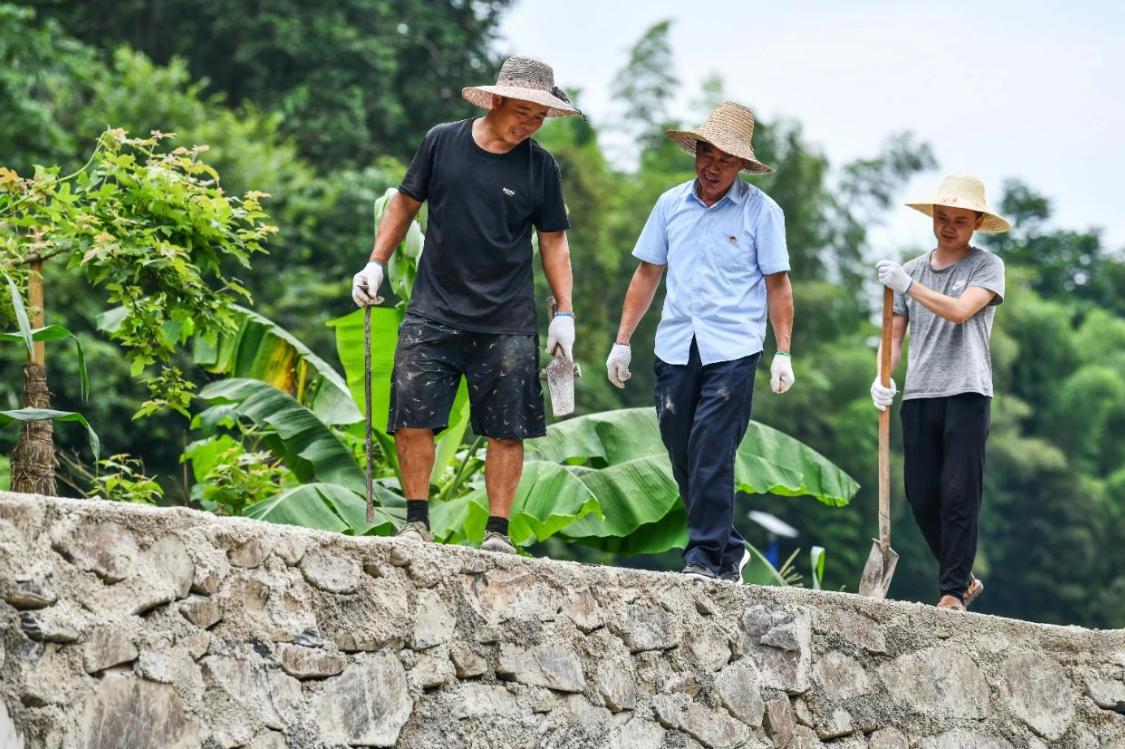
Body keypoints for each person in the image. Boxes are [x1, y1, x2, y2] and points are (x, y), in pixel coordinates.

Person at [351, 56, 580, 554]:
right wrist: (375, 262)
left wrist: (564, 311)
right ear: (495, 101)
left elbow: (554, 241)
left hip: (508, 318)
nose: (529, 124)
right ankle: (416, 522)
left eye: (539, 117)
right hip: (434, 307)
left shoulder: (540, 166)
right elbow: (405, 202)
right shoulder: (442, 142)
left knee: (507, 427)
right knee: (412, 413)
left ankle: (497, 533)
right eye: (522, 111)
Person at [605, 101, 795, 582]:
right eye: (707, 155)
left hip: (732, 348)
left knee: (712, 445)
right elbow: (648, 271)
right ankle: (730, 546)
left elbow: (778, 284)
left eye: (726, 160)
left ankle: (704, 557)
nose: (714, 167)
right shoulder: (671, 205)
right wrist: (622, 340)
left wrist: (783, 352)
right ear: (697, 153)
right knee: (680, 445)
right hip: (675, 344)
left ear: (741, 166)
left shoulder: (761, 212)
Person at [871, 172, 1009, 610]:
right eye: (943, 217)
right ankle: (963, 576)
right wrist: (881, 377)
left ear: (976, 223)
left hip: (967, 391)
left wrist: (909, 287)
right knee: (922, 495)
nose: (949, 227)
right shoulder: (910, 270)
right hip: (920, 394)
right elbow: (893, 336)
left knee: (958, 494)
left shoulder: (986, 266)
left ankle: (951, 592)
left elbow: (959, 312)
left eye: (960, 220)